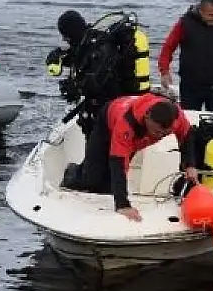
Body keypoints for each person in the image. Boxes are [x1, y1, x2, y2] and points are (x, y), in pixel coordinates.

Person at [61, 92, 198, 222]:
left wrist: (190, 165)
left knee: (107, 187)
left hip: (136, 139)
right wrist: (123, 205)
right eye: (157, 131)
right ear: (147, 117)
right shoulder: (126, 124)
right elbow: (119, 163)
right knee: (92, 179)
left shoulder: (177, 118)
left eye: (165, 133)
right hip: (108, 123)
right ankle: (72, 172)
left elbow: (187, 137)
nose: (160, 136)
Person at [49, 9, 152, 136]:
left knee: (101, 150)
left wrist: (75, 88)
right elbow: (81, 59)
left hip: (111, 109)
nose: (64, 39)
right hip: (106, 108)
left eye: (65, 35)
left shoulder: (100, 47)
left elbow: (97, 80)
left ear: (72, 32)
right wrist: (60, 57)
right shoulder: (88, 42)